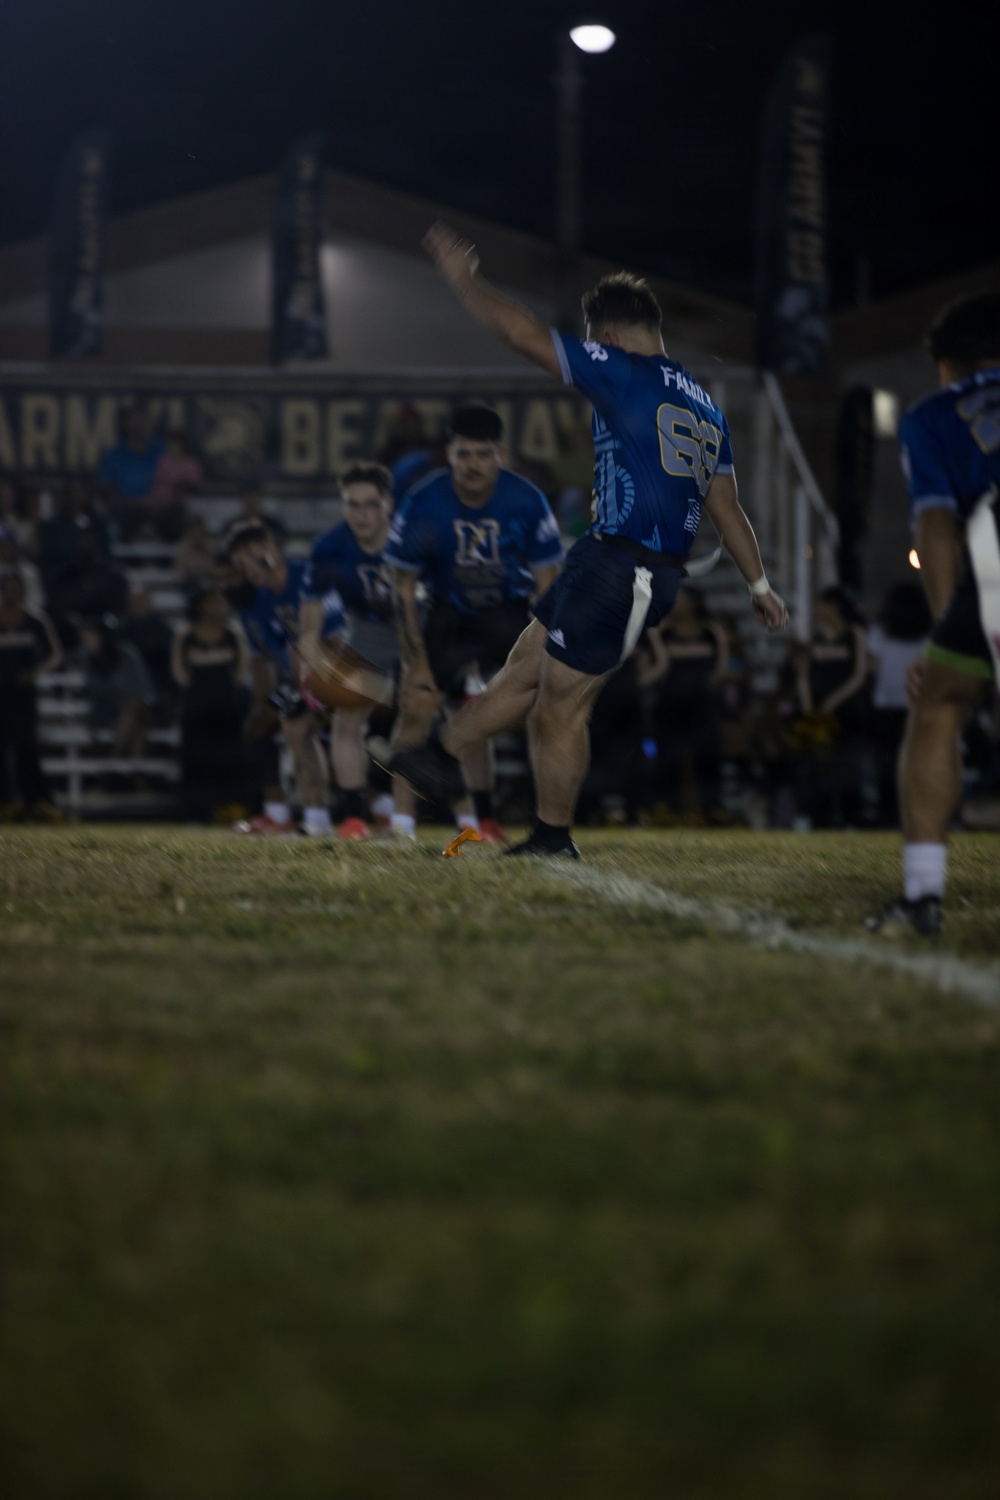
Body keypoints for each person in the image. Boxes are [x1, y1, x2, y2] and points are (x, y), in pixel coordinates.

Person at [390, 224, 787, 857]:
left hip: (627, 569)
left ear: (606, 338)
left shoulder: (624, 371)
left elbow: (521, 335)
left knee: (560, 705)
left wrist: (464, 281)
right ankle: (436, 756)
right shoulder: (706, 407)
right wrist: (759, 584)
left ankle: (551, 837)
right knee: (525, 667)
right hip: (607, 557)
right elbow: (726, 507)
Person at [870, 293, 1000, 934]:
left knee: (940, 710)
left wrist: (950, 628)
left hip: (993, 569)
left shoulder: (934, 414)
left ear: (949, 365)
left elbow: (937, 523)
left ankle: (923, 897)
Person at [384, 402, 564, 844]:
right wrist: (415, 663)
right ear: (449, 454)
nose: (473, 465)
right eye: (464, 454)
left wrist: (546, 656)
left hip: (510, 614)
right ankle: (402, 825)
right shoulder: (423, 502)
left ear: (500, 454)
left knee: (543, 707)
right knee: (417, 703)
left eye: (483, 454)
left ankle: (524, 823)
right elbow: (402, 588)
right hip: (448, 613)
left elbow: (548, 587)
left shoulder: (526, 500)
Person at [226, 520, 346, 837]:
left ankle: (362, 811)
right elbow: (280, 657)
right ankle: (306, 817)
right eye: (240, 563)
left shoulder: (307, 577)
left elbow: (339, 638)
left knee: (299, 725)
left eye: (250, 558)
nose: (246, 568)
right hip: (306, 680)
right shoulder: (264, 599)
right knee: (271, 724)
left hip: (349, 669)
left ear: (271, 550)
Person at [311, 461, 397, 839]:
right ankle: (352, 817)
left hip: (421, 627)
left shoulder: (412, 537)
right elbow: (310, 617)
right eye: (353, 505)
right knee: (346, 722)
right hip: (366, 630)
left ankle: (475, 815)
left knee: (446, 716)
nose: (361, 514)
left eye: (370, 505)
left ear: (387, 505)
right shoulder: (329, 546)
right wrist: (311, 659)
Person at [635, 588, 729, 820]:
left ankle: (712, 808)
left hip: (702, 704)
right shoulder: (664, 633)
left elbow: (721, 667)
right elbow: (648, 665)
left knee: (707, 757)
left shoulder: (711, 632)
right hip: (669, 705)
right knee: (668, 757)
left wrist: (706, 688)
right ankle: (666, 807)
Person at [171, 584, 252, 822]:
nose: (218, 606)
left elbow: (241, 671)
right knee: (196, 759)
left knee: (230, 757)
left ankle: (231, 808)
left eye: (221, 601)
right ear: (200, 605)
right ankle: (196, 811)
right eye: (213, 601)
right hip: (197, 704)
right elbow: (179, 672)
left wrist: (227, 695)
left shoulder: (233, 634)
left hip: (227, 704)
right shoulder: (185, 634)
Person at [793, 586, 871, 828]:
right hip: (818, 714)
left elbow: (859, 674)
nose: (817, 610)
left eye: (821, 604)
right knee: (819, 766)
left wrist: (833, 703)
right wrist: (810, 711)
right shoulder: (815, 639)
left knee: (848, 765)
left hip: (847, 711)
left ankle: (852, 817)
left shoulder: (854, 634)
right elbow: (803, 675)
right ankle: (821, 819)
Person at [867, 583, 932, 826]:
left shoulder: (880, 632)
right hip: (916, 704)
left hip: (885, 704)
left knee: (886, 759)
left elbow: (872, 668)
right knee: (917, 759)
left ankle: (888, 811)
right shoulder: (929, 633)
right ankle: (916, 810)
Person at [0, 573, 62, 820]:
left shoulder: (35, 621)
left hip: (24, 693)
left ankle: (36, 801)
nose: (13, 593)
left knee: (27, 746)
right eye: (8, 588)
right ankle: (5, 802)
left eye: (17, 588)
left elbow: (55, 655)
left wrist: (35, 672)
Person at [78, 615, 155, 759]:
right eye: (84, 637)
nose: (86, 641)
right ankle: (133, 776)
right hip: (107, 710)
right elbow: (93, 693)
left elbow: (139, 693)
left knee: (132, 713)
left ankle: (115, 759)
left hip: (137, 708)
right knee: (135, 728)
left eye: (90, 636)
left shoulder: (126, 654)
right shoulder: (87, 661)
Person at [97, 406, 168, 540]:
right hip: (127, 509)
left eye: (142, 420)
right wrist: (132, 503)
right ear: (125, 424)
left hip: (159, 509)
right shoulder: (113, 455)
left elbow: (177, 476)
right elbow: (104, 486)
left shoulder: (161, 449)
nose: (138, 425)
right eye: (134, 420)